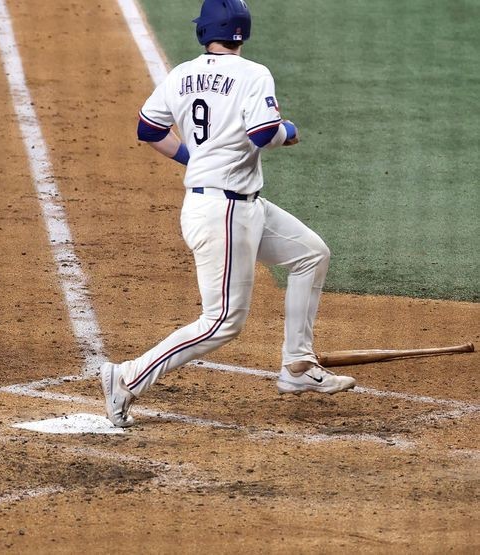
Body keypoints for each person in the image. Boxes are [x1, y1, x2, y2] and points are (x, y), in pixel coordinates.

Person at [101, 0, 355, 427]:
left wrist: (195, 159)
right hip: (223, 215)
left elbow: (148, 130)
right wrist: (287, 131)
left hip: (235, 205)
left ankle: (297, 366)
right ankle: (126, 378)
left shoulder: (181, 74)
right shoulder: (254, 73)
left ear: (205, 31)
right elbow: (262, 134)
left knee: (311, 254)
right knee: (222, 321)